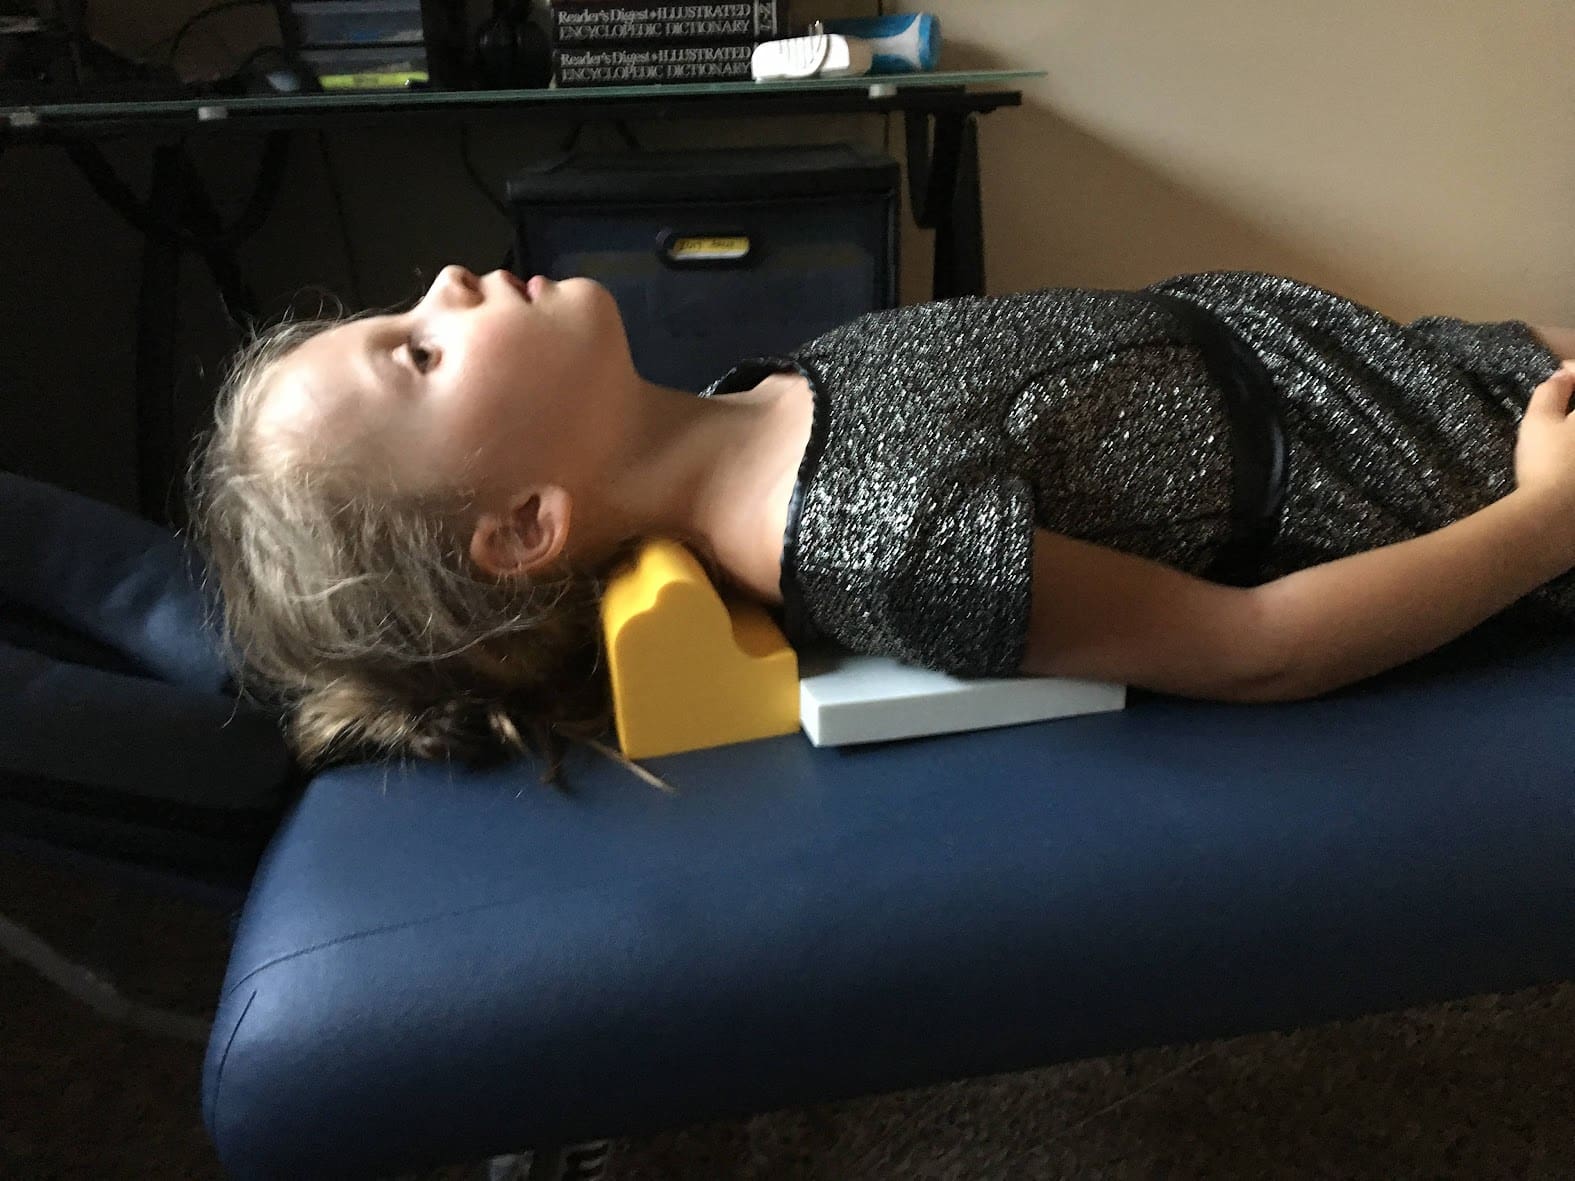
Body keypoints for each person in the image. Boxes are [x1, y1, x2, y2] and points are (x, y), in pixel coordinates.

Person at [187, 266, 1575, 773]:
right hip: (1416, 468)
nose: (444, 283)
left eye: (402, 315)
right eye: (419, 356)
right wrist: (1549, 518)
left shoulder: (749, 406)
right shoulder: (874, 537)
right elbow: (1257, 643)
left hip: (1362, 364)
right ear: (526, 526)